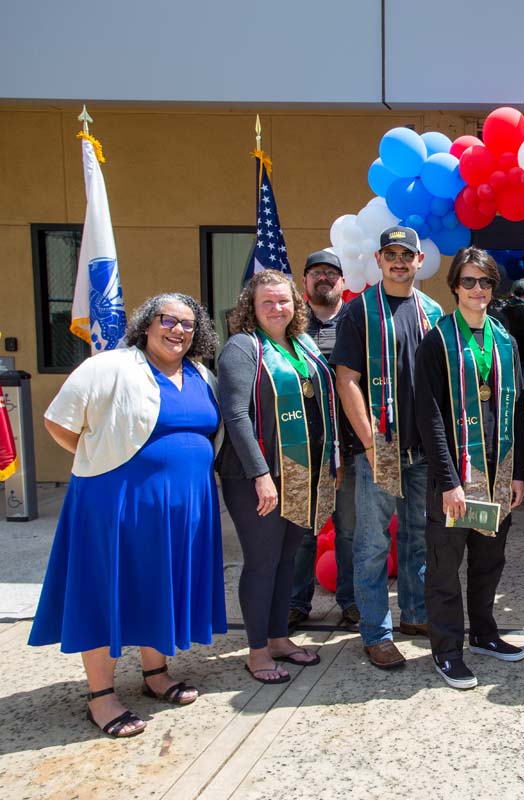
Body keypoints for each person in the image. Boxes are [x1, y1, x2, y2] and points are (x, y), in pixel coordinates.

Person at [31, 294, 226, 738]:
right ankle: (101, 696)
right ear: (147, 324)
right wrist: (103, 461)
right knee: (108, 590)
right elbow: (58, 422)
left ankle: (155, 673)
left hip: (183, 511)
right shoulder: (108, 366)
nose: (178, 330)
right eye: (168, 320)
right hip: (115, 504)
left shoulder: (201, 375)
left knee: (160, 585)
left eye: (188, 324)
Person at [415, 246, 524, 690]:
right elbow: (429, 416)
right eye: (468, 281)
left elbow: (517, 410)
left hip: (498, 475)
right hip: (455, 479)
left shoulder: (505, 340)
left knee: (489, 561)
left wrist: (518, 473)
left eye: (485, 281)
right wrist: (448, 482)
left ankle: (484, 633)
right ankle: (447, 651)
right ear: (455, 286)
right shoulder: (438, 340)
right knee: (445, 568)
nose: (477, 289)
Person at [217, 270, 337, 684]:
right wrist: (260, 474)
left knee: (288, 558)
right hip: (255, 477)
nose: (276, 308)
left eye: (283, 300)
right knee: (263, 561)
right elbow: (236, 415)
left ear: (295, 304)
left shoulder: (301, 343)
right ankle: (257, 652)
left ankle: (278, 638)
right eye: (266, 301)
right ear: (251, 306)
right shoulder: (242, 347)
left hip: (297, 472)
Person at [333, 226, 444, 670]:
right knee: (373, 543)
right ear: (378, 259)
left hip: (422, 450)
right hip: (379, 446)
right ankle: (376, 633)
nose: (399, 262)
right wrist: (370, 443)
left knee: (419, 537)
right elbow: (347, 380)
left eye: (407, 255)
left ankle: (415, 614)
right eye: (391, 254)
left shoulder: (432, 311)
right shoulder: (359, 311)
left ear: (420, 261)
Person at [289, 250, 360, 633]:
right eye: (316, 272)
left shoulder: (356, 321)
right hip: (305, 447)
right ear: (304, 281)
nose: (324, 278)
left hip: (348, 448)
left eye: (331, 273)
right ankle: (296, 603)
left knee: (348, 530)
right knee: (303, 532)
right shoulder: (290, 326)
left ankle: (351, 602)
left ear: (343, 282)